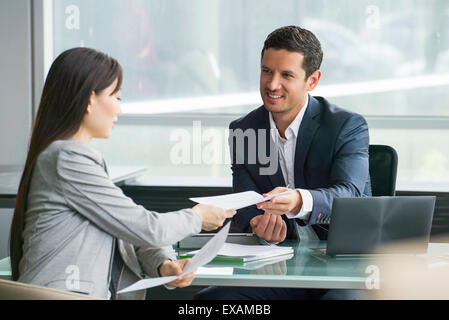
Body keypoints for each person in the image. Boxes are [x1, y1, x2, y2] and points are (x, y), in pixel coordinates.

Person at [9, 47, 236, 300]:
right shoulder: (67, 159)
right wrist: (197, 217)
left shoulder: (75, 159)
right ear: (90, 100)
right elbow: (147, 228)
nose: (119, 109)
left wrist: (163, 263)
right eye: (116, 97)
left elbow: (126, 230)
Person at [195, 25, 370, 300]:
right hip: (280, 267)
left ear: (312, 81)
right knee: (211, 301)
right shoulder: (244, 130)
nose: (272, 84)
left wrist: (299, 200)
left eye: (286, 75)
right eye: (267, 71)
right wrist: (256, 221)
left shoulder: (346, 126)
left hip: (344, 267)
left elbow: (352, 197)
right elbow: (243, 198)